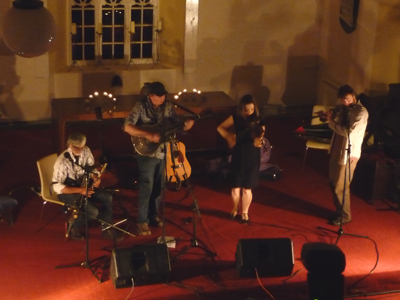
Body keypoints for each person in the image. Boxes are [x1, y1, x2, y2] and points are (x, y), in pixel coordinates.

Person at [123, 81, 194, 235]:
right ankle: (142, 221)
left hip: (162, 151)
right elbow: (127, 126)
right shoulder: (140, 106)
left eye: (164, 95)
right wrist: (148, 134)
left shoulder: (167, 106)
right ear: (150, 96)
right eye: (159, 95)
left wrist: (185, 127)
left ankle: (153, 216)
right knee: (146, 187)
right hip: (145, 152)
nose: (163, 98)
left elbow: (175, 126)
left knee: (159, 186)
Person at [52, 132, 122, 240]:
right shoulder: (62, 161)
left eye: (82, 147)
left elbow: (91, 168)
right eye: (76, 147)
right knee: (93, 212)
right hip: (68, 191)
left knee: (107, 197)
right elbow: (56, 187)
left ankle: (106, 228)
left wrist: (95, 177)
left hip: (83, 186)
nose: (80, 150)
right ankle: (73, 225)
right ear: (69, 144)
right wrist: (80, 190)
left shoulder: (86, 150)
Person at [217, 94, 265, 223]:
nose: (249, 112)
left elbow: (260, 135)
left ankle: (245, 212)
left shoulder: (259, 120)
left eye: (252, 109)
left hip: (252, 156)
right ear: (241, 109)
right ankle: (234, 208)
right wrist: (228, 136)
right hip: (238, 154)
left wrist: (257, 141)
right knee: (235, 186)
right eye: (246, 109)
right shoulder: (236, 118)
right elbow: (220, 127)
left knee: (247, 187)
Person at [326, 84, 369, 226]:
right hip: (336, 149)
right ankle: (339, 211)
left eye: (347, 99)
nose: (344, 102)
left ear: (353, 97)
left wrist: (331, 123)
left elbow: (348, 132)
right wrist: (330, 117)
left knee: (341, 185)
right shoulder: (343, 108)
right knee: (333, 182)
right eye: (342, 100)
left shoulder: (361, 113)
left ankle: (345, 216)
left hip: (349, 154)